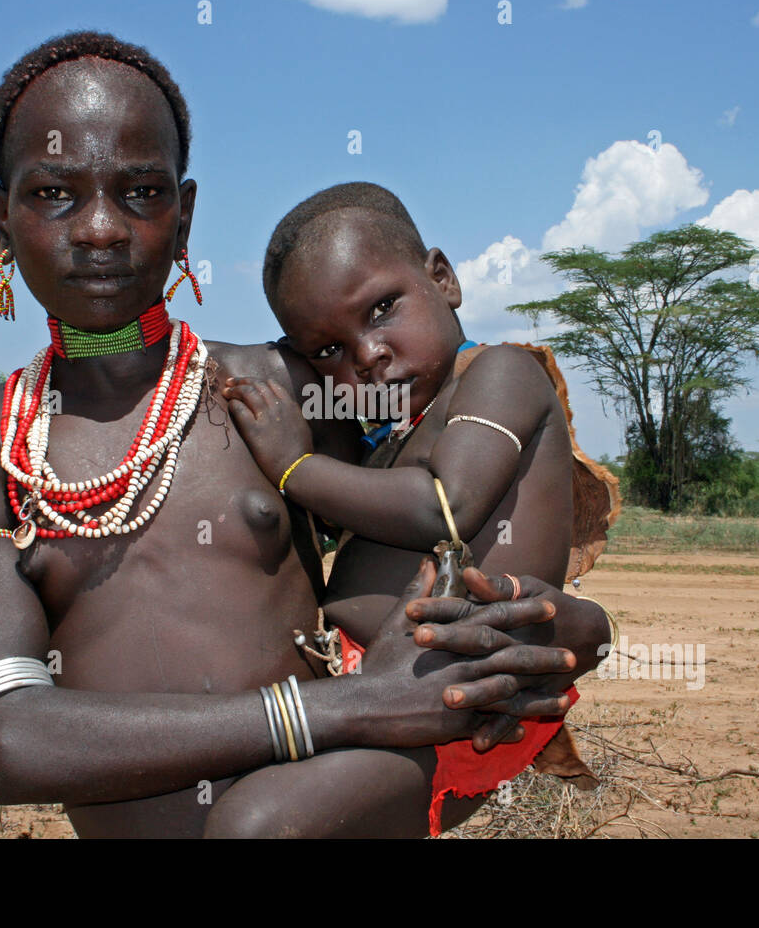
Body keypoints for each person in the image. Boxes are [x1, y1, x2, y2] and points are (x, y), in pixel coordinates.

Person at [0, 30, 611, 838]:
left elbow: (453, 503)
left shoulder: (278, 386)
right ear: (0, 220)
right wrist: (345, 707)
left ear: (184, 219)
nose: (102, 229)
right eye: (54, 194)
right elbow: (10, 742)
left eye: (141, 192)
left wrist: (574, 627)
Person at [222, 182, 621, 834]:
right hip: (373, 691)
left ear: (443, 279)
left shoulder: (500, 375)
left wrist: (296, 467)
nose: (367, 355)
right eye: (328, 351)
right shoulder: (393, 431)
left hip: (454, 705)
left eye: (381, 309)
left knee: (261, 826)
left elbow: (447, 507)